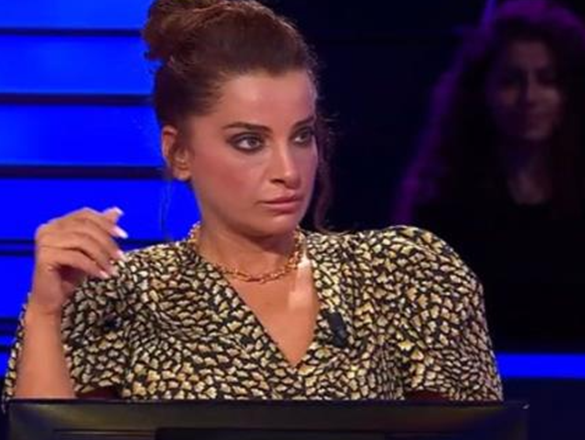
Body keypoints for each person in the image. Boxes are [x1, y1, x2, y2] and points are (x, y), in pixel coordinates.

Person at [2, 0, 502, 404]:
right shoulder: (120, 292)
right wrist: (45, 313)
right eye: (249, 142)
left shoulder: (403, 273)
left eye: (302, 136)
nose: (288, 170)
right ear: (178, 152)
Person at [395, 0, 585, 350]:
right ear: (481, 92)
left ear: (573, 92)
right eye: (510, 82)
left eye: (547, 80)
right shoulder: (444, 198)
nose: (529, 97)